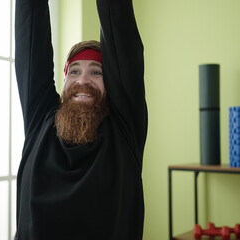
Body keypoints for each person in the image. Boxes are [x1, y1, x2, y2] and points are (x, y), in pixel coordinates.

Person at [14, 0, 147, 239]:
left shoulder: (124, 129)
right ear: (64, 80)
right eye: (74, 71)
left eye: (96, 72)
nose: (82, 81)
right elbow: (30, 35)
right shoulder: (40, 120)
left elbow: (120, 32)